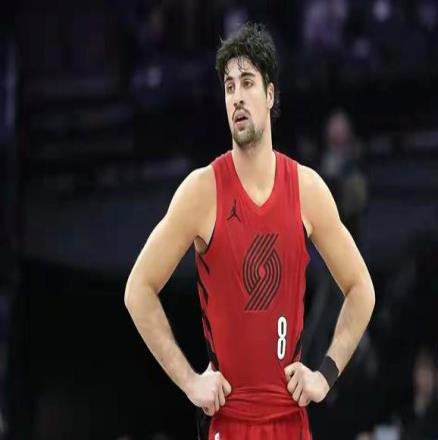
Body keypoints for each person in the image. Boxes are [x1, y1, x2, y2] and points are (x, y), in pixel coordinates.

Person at [124, 22, 375, 439]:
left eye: (247, 83)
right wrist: (190, 382)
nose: (237, 97)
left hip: (289, 418)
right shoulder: (203, 191)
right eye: (228, 87)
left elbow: (361, 289)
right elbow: (138, 289)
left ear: (270, 94)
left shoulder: (307, 190)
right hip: (230, 418)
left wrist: (325, 375)